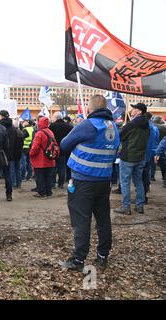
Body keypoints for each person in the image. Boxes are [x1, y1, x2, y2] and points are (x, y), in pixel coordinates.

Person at [59, 95, 120, 271]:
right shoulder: (113, 127)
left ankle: (78, 259)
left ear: (90, 108)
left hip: (83, 181)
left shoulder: (87, 125)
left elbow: (64, 144)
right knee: (103, 219)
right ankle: (103, 255)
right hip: (104, 181)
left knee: (81, 220)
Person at [114, 103, 150, 215]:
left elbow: (120, 136)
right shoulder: (148, 124)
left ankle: (126, 206)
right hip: (140, 157)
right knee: (138, 181)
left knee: (125, 182)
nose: (132, 110)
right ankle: (140, 206)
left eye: (134, 108)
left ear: (139, 111)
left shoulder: (132, 124)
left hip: (128, 156)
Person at [30, 116, 56, 198]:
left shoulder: (39, 133)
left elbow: (35, 147)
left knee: (39, 177)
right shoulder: (50, 132)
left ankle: (41, 193)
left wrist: (31, 153)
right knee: (48, 177)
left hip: (40, 160)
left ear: (40, 123)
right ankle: (49, 192)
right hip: (50, 158)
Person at [0, 110, 19, 201]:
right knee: (8, 175)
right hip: (9, 155)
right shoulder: (13, 128)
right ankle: (9, 195)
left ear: (1, 116)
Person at [49, 112, 73, 189]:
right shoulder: (68, 126)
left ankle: (52, 183)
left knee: (54, 166)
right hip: (64, 149)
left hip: (54, 149)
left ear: (56, 118)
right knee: (62, 167)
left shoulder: (52, 126)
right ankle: (61, 183)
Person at [141, 112, 159, 203]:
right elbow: (157, 139)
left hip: (146, 153)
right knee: (147, 172)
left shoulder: (148, 127)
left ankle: (143, 196)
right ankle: (146, 189)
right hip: (152, 151)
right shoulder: (154, 127)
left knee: (143, 175)